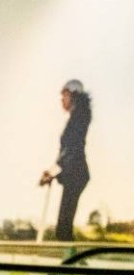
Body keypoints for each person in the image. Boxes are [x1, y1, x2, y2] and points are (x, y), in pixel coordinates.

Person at [40, 79, 92, 241]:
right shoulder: (76, 118)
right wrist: (52, 173)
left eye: (65, 95)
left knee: (63, 228)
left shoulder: (79, 116)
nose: (62, 99)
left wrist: (52, 172)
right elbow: (67, 152)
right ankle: (74, 262)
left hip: (76, 174)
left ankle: (75, 264)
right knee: (63, 228)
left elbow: (71, 151)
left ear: (74, 95)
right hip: (74, 174)